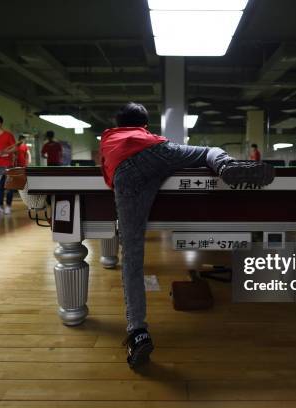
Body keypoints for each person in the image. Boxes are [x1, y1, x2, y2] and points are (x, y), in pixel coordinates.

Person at [100, 102, 275, 368]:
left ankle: (138, 332)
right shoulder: (147, 135)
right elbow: (168, 153)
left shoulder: (110, 137)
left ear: (117, 123)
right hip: (158, 152)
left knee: (132, 256)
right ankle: (227, 167)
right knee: (209, 152)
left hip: (124, 170)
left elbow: (106, 173)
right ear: (144, 126)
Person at [0, 114, 16, 215]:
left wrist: (5, 152)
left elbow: (15, 148)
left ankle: (8, 206)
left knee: (9, 187)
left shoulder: (8, 135)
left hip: (8, 166)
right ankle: (0, 207)